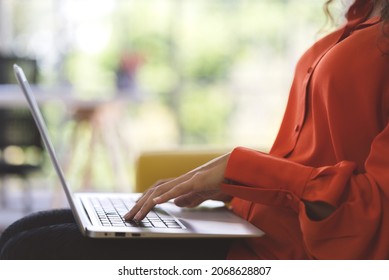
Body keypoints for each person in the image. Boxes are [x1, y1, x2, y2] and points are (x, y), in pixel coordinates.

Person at [1, 0, 389, 259]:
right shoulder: (362, 18)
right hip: (251, 225)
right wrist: (232, 183)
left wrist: (247, 171)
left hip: (283, 253)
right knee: (24, 230)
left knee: (30, 248)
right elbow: (310, 160)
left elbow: (376, 208)